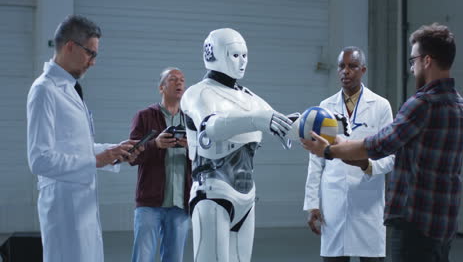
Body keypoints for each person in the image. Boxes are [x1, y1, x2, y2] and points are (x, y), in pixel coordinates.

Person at [302, 23, 463, 262]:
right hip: (443, 221)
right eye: (342, 66)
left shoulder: (420, 104)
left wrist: (330, 149)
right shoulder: (461, 107)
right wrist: (313, 201)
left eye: (414, 60)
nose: (412, 68)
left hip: (414, 221)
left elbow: (379, 146)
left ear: (427, 61)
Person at [26, 15, 142, 262]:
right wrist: (96, 160)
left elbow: (78, 148)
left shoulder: (70, 89)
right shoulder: (44, 90)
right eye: (91, 53)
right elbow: (39, 160)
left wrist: (115, 151)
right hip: (63, 207)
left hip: (81, 205)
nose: (93, 62)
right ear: (70, 47)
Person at [180, 28, 293, 262]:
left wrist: (322, 124)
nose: (242, 62)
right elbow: (211, 126)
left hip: (246, 198)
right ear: (215, 54)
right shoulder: (198, 94)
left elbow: (283, 123)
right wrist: (257, 119)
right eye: (235, 55)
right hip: (213, 194)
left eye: (245, 55)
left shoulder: (249, 97)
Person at [303, 47, 394, 262]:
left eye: (352, 66)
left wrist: (368, 165)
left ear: (363, 70)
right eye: (341, 66)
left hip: (367, 201)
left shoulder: (380, 106)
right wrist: (312, 204)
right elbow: (315, 161)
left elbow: (391, 156)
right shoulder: (325, 107)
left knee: (371, 257)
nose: (346, 71)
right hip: (333, 201)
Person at [129, 67, 192, 262]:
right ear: (161, 87)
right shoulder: (144, 116)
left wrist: (192, 147)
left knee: (174, 258)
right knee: (143, 258)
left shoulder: (192, 120)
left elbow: (206, 157)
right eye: (173, 79)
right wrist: (155, 144)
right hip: (150, 203)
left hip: (181, 204)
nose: (179, 82)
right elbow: (132, 156)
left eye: (182, 79)